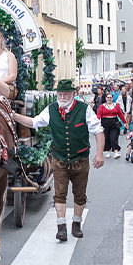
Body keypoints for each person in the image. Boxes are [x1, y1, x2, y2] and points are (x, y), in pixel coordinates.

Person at [12, 79, 104, 241]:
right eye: (60, 93)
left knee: (79, 194)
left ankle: (76, 223)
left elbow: (98, 130)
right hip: (59, 158)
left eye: (65, 94)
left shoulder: (84, 109)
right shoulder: (51, 109)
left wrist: (99, 154)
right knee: (60, 194)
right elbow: (34, 122)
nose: (62, 96)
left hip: (80, 159)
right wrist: (13, 115)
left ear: (73, 94)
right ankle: (61, 227)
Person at [97, 92, 126, 158]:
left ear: (112, 98)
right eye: (108, 97)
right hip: (105, 122)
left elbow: (120, 114)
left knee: (114, 137)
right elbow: (98, 115)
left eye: (110, 97)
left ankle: (116, 151)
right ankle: (108, 150)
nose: (109, 99)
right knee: (106, 137)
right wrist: (97, 124)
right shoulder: (102, 106)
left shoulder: (116, 105)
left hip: (114, 122)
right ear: (105, 98)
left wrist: (125, 122)